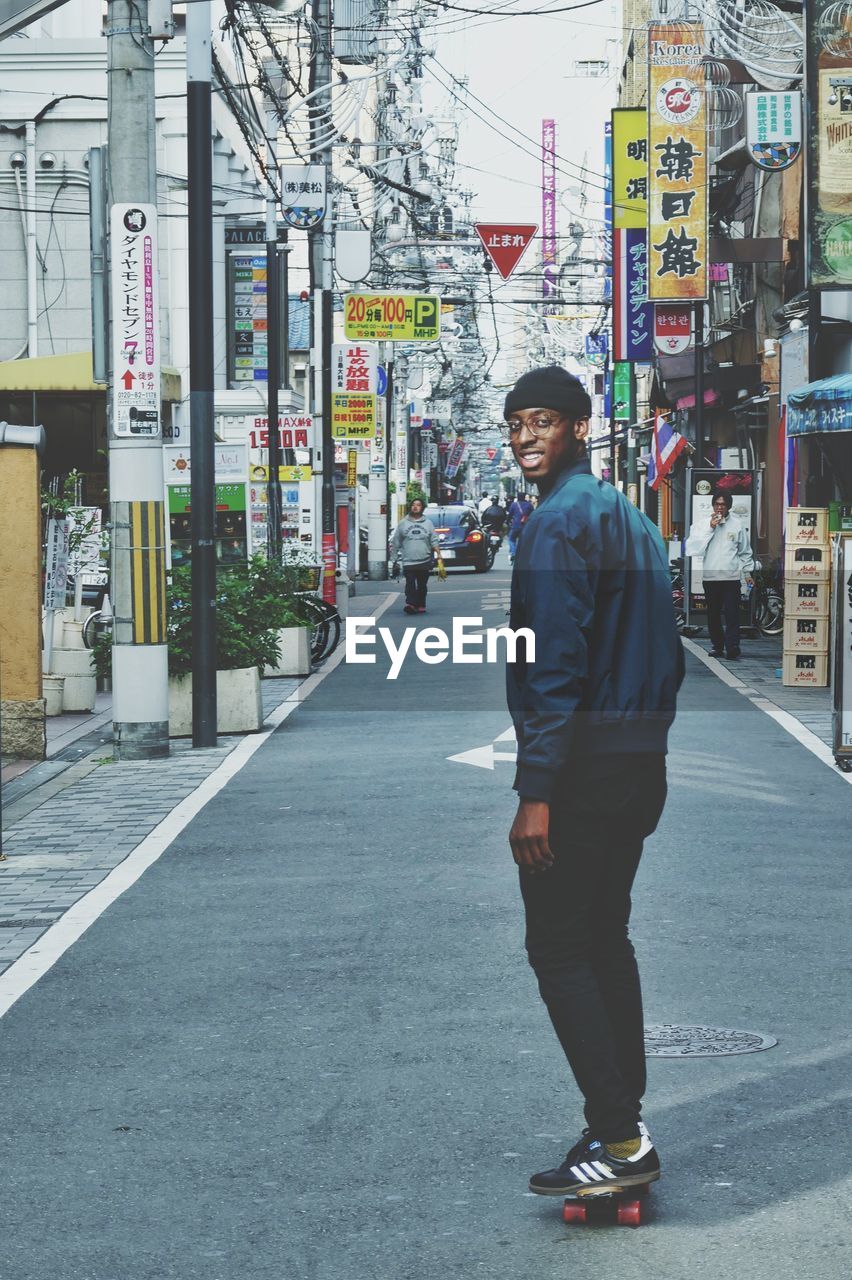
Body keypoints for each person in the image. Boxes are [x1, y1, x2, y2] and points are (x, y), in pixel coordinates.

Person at [503, 364, 684, 1198]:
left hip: (580, 770)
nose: (526, 436)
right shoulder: (630, 519)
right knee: (605, 936)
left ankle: (619, 1139)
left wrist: (536, 790)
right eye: (516, 424)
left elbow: (553, 666)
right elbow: (667, 655)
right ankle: (622, 1118)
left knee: (560, 948)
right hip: (639, 765)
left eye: (543, 420)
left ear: (579, 428)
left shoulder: (556, 524)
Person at [684, 491, 755, 659]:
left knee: (732, 614)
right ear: (713, 505)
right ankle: (717, 646)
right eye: (717, 504)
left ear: (728, 506)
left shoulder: (737, 525)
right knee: (713, 614)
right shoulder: (702, 525)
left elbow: (744, 552)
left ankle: (733, 646)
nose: (720, 507)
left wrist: (747, 573)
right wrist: (710, 527)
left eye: (723, 504)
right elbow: (693, 548)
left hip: (731, 577)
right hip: (711, 578)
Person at [389, 498, 442, 614]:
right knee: (410, 584)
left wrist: (438, 554)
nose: (415, 507)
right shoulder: (403, 523)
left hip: (424, 560)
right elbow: (396, 542)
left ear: (422, 508)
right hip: (408, 560)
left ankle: (421, 604)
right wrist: (393, 560)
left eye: (418, 505)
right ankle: (411, 604)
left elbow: (434, 539)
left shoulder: (428, 523)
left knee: (422, 585)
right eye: (413, 505)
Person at [506, 492, 533, 562]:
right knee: (525, 541)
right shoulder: (529, 505)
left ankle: (513, 553)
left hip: (515, 525)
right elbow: (533, 515)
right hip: (526, 526)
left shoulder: (514, 505)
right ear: (524, 497)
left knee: (511, 539)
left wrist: (507, 522)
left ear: (517, 497)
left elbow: (510, 515)